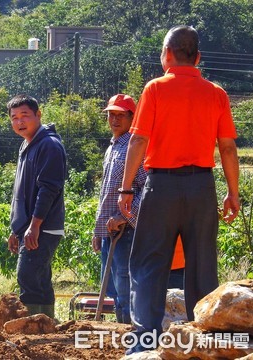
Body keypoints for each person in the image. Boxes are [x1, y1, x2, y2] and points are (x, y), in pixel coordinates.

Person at [118, 25, 240, 354]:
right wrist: (233, 191)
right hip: (202, 187)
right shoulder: (216, 93)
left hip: (162, 187)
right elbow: (227, 148)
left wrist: (126, 188)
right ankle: (205, 341)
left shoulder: (155, 89)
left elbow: (139, 139)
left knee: (148, 261)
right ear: (198, 57)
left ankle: (143, 341)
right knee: (202, 264)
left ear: (167, 55)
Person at [6, 94, 67, 318]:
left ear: (38, 115)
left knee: (28, 276)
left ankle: (33, 330)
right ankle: (45, 329)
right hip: (30, 227)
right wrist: (17, 229)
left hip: (43, 226)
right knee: (38, 279)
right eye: (14, 118)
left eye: (25, 116)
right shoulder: (28, 145)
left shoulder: (49, 145)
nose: (20, 122)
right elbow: (22, 194)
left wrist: (34, 225)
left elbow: (49, 188)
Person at [92, 94, 147, 324]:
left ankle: (132, 339)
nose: (114, 119)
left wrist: (123, 216)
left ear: (132, 117)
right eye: (111, 115)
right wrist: (98, 232)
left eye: (120, 115)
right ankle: (120, 342)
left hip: (127, 232)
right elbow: (106, 194)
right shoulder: (113, 147)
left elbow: (147, 189)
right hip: (109, 233)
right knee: (114, 291)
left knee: (125, 290)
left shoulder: (134, 148)